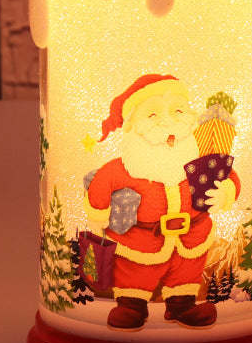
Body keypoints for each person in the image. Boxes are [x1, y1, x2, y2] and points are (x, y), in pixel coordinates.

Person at [85, 74, 240, 330]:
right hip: (141, 239)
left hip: (190, 236)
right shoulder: (123, 168)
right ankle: (131, 305)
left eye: (177, 110)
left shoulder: (197, 155)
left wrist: (225, 191)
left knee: (186, 270)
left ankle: (182, 305)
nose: (167, 120)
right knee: (135, 271)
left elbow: (226, 175)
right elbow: (101, 185)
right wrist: (99, 214)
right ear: (133, 124)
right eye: (153, 114)